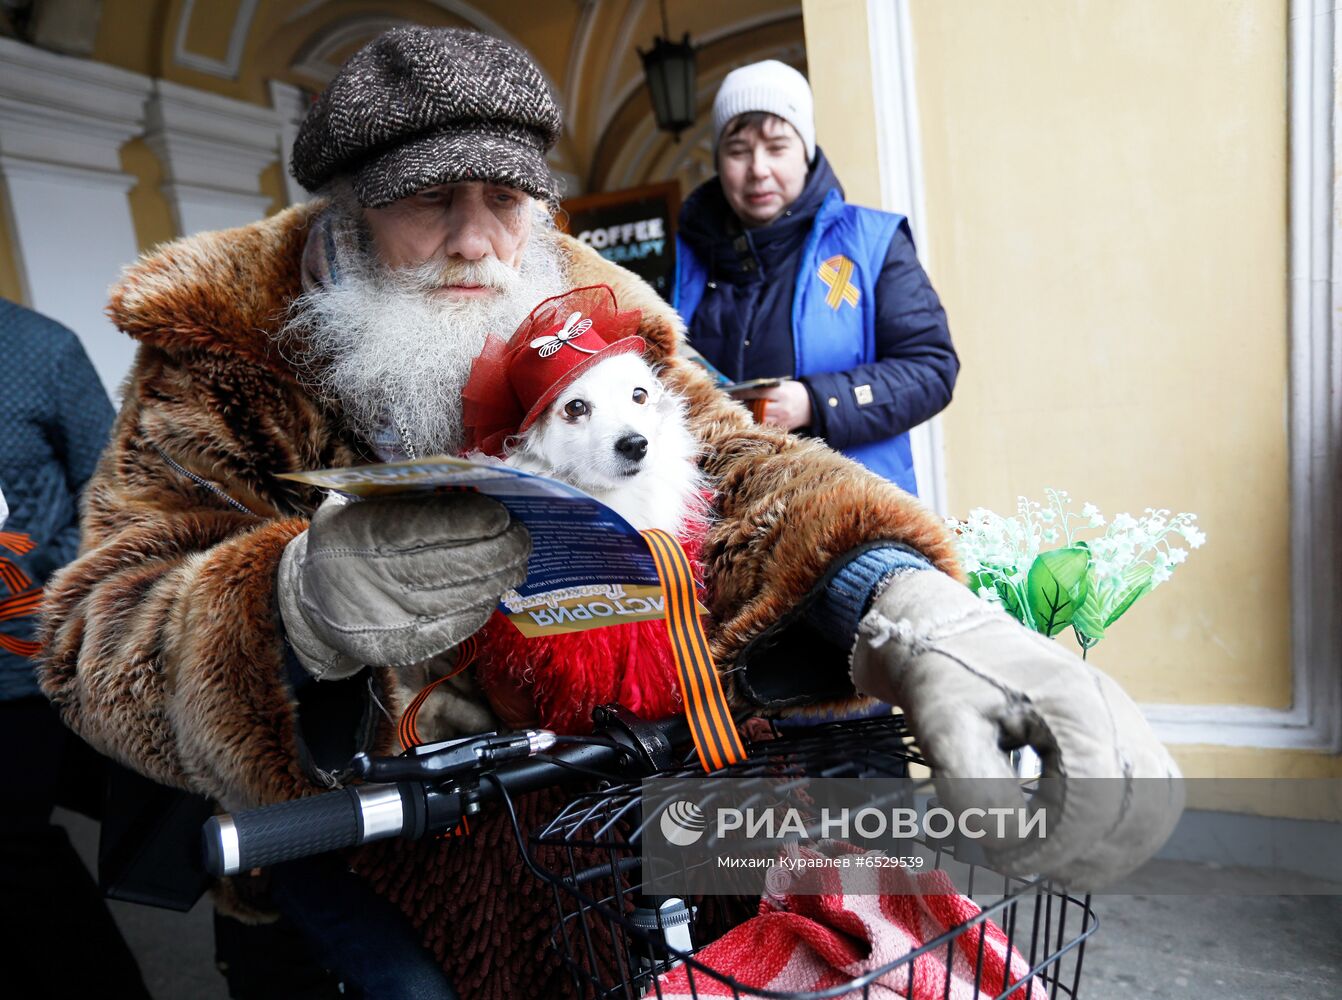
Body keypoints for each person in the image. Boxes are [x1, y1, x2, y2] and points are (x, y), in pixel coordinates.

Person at [37, 27, 1179, 999]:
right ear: (347, 208)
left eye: (506, 199)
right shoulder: (220, 346)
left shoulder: (582, 286)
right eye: (432, 202)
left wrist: (904, 602)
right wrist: (293, 603)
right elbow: (96, 640)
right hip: (360, 822)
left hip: (610, 795)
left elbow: (730, 466)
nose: (480, 241)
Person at [675, 60, 956, 495]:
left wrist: (815, 402)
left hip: (855, 509)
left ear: (805, 151)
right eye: (738, 150)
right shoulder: (682, 258)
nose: (758, 169)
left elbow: (931, 369)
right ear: (718, 160)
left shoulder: (873, 243)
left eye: (777, 146)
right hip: (726, 517)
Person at [0, 299, 151, 997]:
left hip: (24, 659)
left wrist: (29, 569)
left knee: (14, 847)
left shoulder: (39, 349)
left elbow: (114, 495)